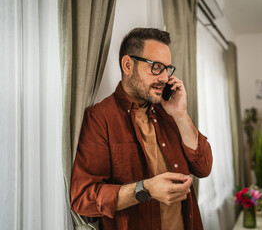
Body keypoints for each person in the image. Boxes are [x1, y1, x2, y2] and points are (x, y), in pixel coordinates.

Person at [70, 27, 213, 230]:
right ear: (128, 65)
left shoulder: (169, 111)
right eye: (156, 67)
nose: (164, 78)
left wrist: (181, 115)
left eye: (167, 69)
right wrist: (144, 189)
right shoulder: (100, 119)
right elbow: (83, 198)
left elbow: (204, 167)